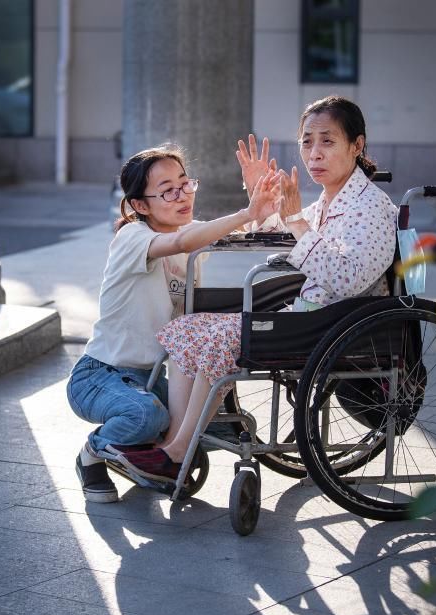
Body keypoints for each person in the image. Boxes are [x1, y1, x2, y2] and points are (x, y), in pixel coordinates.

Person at [117, 96, 397, 477]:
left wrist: (296, 219)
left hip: (337, 324)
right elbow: (285, 237)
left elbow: (348, 279)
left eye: (327, 141)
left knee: (220, 337)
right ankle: (173, 444)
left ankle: (179, 451)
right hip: (308, 316)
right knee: (186, 329)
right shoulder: (329, 202)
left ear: (357, 145)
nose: (313, 153)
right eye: (307, 141)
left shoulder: (371, 206)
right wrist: (260, 205)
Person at [67, 144, 282, 503]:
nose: (182, 196)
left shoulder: (194, 234)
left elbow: (261, 236)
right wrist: (246, 212)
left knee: (220, 426)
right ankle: (92, 454)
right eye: (168, 190)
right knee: (146, 416)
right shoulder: (132, 237)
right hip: (99, 376)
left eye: (186, 184)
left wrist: (257, 195)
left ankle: (155, 458)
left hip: (150, 380)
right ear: (140, 205)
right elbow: (182, 240)